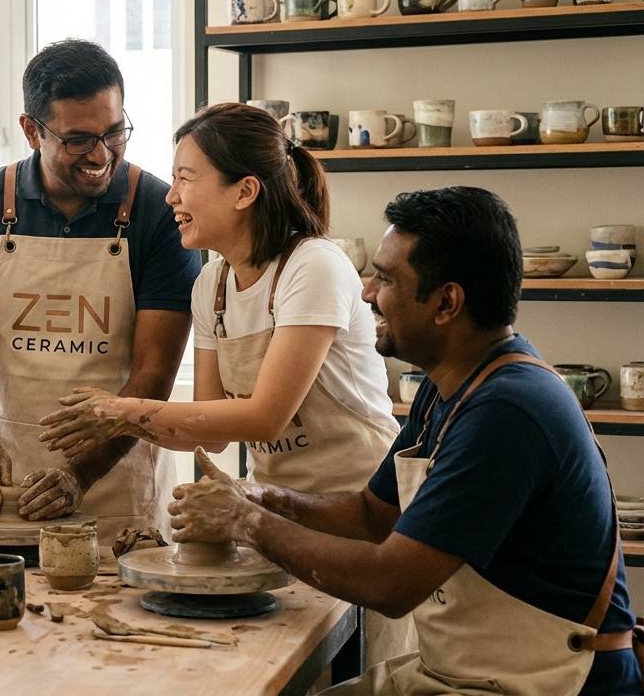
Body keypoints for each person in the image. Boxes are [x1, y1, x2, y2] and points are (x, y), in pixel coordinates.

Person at [168, 187, 641, 695]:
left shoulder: (508, 410)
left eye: (387, 278)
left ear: (446, 303)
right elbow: (373, 516)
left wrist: (247, 521)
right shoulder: (449, 386)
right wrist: (261, 496)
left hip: (546, 683)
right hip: (467, 671)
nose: (368, 293)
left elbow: (389, 583)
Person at [40, 102, 396, 496]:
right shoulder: (212, 285)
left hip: (360, 504)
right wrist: (117, 422)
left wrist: (125, 410)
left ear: (244, 192)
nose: (171, 197)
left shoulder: (313, 266)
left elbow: (265, 419)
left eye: (185, 179)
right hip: (281, 502)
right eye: (173, 179)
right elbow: (209, 437)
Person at [0, 39, 200, 541]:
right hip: (13, 486)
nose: (101, 155)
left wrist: (79, 474)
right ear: (31, 130)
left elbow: (154, 371)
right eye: (78, 140)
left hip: (120, 494)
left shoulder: (158, 211)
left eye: (114, 132)